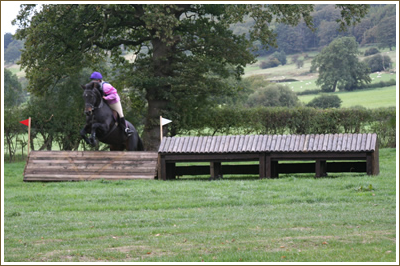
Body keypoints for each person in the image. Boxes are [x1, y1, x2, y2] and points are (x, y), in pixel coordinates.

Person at [90, 71, 133, 136]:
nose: (92, 82)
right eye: (92, 80)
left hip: (114, 102)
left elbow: (114, 95)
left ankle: (126, 129)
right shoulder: (95, 86)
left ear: (98, 80)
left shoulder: (106, 86)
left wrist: (106, 98)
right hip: (105, 103)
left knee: (120, 114)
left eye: (93, 80)